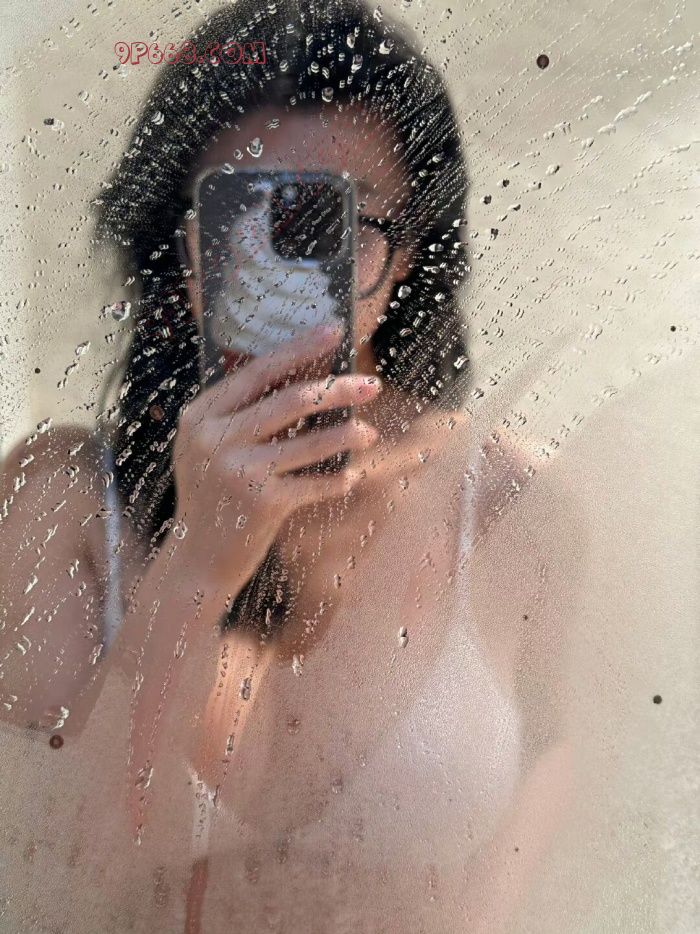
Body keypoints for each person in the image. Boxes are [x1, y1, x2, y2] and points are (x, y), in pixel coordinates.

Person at [0, 1, 577, 930]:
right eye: (248, 217)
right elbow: (49, 885)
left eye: (334, 224)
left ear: (407, 255)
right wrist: (196, 563)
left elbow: (522, 874)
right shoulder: (61, 504)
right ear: (184, 251)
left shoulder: (511, 501)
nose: (291, 267)